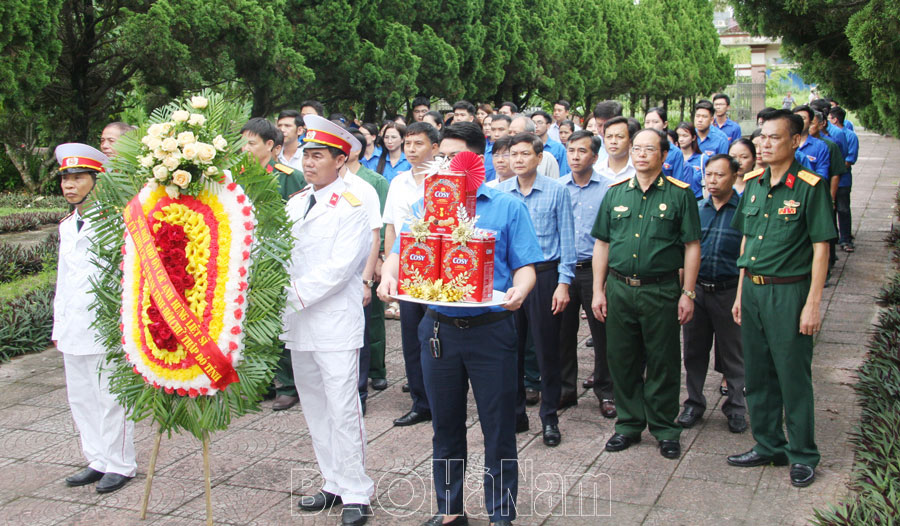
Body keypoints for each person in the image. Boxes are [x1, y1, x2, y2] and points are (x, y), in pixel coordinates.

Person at [377, 122, 541, 526]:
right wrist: (387, 274)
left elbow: (526, 267)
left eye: (454, 157)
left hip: (492, 329)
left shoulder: (506, 206)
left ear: (475, 159)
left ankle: (501, 512)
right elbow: (402, 251)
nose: (445, 164)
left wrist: (520, 291)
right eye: (441, 157)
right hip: (439, 331)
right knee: (445, 426)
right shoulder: (426, 205)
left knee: (498, 426)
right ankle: (450, 509)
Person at [727, 109, 836, 488]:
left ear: (795, 141)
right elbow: (746, 240)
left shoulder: (810, 186)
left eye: (774, 137)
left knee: (792, 376)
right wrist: (741, 293)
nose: (764, 144)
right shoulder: (753, 183)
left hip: (789, 292)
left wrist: (813, 302)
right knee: (757, 374)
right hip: (754, 291)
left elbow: (820, 247)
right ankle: (768, 443)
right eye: (761, 137)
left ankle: (803, 454)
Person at [283, 117, 374, 525]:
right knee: (316, 406)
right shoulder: (297, 201)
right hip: (299, 322)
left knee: (342, 406)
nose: (309, 162)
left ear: (341, 159)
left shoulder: (355, 202)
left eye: (318, 155)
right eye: (306, 154)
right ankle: (332, 481)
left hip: (334, 320)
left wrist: (288, 295)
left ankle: (357, 489)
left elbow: (341, 268)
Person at [591, 128, 701, 460]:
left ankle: (665, 428)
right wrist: (598, 290)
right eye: (636, 148)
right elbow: (602, 243)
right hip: (620, 288)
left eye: (648, 149)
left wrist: (688, 293)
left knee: (663, 361)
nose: (640, 154)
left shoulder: (681, 195)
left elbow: (692, 246)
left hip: (661, 290)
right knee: (622, 360)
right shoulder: (614, 194)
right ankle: (628, 424)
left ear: (664, 156)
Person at [54, 143, 137, 494]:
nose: (70, 186)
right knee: (82, 396)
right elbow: (63, 278)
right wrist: (58, 324)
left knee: (111, 396)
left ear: (96, 181)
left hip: (105, 324)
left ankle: (120, 463)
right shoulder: (67, 225)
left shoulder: (117, 222)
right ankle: (97, 459)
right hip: (73, 324)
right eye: (66, 179)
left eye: (78, 178)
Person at [498, 132, 576, 448]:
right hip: (511, 280)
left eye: (524, 154)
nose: (517, 159)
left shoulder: (557, 192)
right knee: (509, 348)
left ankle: (549, 417)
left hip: (545, 277)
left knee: (546, 350)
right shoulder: (500, 193)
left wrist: (564, 284)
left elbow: (567, 241)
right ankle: (516, 414)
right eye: (512, 154)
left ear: (539, 158)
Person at [678, 154, 747, 434]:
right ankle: (694, 402)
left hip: (729, 290)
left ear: (734, 177)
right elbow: (683, 251)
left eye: (720, 175)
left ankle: (736, 407)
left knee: (734, 354)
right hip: (698, 290)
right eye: (709, 175)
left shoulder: (743, 211)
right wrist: (685, 291)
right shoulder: (695, 208)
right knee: (694, 351)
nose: (713, 180)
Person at [240, 117, 306, 410]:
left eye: (251, 143)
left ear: (270, 145)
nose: (245, 148)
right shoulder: (236, 176)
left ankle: (288, 384)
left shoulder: (288, 176)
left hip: (276, 258)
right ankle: (260, 381)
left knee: (279, 321)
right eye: (242, 142)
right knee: (250, 321)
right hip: (246, 258)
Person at [381, 122, 440, 427]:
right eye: (408, 144)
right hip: (408, 271)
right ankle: (421, 402)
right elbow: (391, 228)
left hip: (440, 273)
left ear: (435, 147)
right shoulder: (398, 183)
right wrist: (391, 273)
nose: (412, 150)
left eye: (419, 144)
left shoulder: (445, 181)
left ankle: (444, 399)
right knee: (411, 338)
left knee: (439, 337)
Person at [558, 131, 616, 418]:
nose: (576, 156)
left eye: (583, 151)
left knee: (603, 334)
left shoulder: (609, 189)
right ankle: (565, 390)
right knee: (563, 335)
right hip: (565, 270)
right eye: (571, 151)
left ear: (595, 156)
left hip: (596, 271)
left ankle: (606, 392)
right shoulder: (558, 188)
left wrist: (602, 282)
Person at [342, 126, 390, 412]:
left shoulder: (368, 186)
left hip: (361, 268)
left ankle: (362, 388)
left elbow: (377, 230)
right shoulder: (308, 191)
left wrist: (375, 267)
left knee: (363, 327)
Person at [828, 107, 858, 252]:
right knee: (830, 210)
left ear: (835, 119)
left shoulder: (850, 136)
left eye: (829, 118)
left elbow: (850, 160)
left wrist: (835, 170)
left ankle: (846, 239)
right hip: (830, 179)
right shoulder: (828, 135)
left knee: (843, 209)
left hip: (843, 179)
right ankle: (833, 238)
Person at [644, 107, 691, 184]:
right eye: (647, 122)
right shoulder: (638, 149)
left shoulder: (675, 152)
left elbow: (678, 182)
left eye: (655, 122)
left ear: (665, 124)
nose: (651, 126)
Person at [510, 115, 560, 179]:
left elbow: (554, 185)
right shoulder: (505, 157)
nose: (511, 136)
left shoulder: (547, 159)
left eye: (516, 133)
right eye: (509, 132)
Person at [791, 105, 831, 178]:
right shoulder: (784, 143)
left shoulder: (820, 146)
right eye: (796, 118)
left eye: (803, 118)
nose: (799, 121)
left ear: (810, 122)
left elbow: (822, 175)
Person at [676, 122, 704, 198]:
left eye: (685, 136)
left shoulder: (703, 159)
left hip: (698, 201)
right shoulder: (673, 159)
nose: (681, 139)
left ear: (693, 137)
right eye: (678, 136)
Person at [485, 114, 512, 182]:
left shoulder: (516, 152)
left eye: (501, 129)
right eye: (493, 130)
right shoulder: (484, 151)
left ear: (510, 131)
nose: (496, 134)